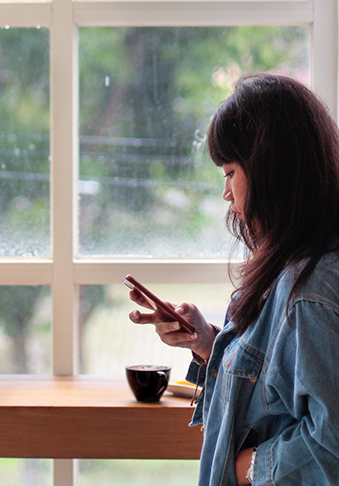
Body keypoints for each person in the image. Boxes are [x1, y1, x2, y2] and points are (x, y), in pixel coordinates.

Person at [128, 73, 339, 485]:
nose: (226, 192)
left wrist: (247, 467)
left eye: (229, 172)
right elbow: (277, 390)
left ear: (269, 169)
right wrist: (207, 342)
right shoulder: (294, 267)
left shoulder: (310, 292)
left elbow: (331, 445)